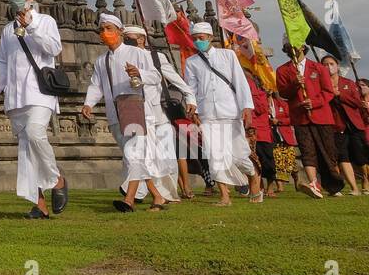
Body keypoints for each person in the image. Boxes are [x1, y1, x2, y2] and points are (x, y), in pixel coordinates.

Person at [0, 0, 67, 218]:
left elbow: (54, 48)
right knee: (27, 151)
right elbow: (1, 63)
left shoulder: (45, 21)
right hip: (16, 97)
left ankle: (57, 179)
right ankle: (39, 205)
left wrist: (31, 27)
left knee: (35, 134)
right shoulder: (8, 30)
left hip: (40, 93)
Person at [82, 14, 173, 212]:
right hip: (115, 114)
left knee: (133, 155)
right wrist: (89, 104)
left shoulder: (137, 53)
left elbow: (156, 76)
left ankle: (128, 200)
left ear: (119, 31)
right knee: (134, 157)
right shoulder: (101, 61)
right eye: (102, 29)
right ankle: (158, 196)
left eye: (109, 29)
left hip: (135, 110)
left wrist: (139, 73)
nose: (105, 33)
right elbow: (96, 85)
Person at [183, 22, 260, 205]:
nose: (198, 41)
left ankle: (253, 175)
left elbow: (240, 82)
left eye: (201, 38)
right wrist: (192, 105)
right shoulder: (191, 62)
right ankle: (224, 196)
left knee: (239, 154)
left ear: (210, 37)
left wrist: (246, 107)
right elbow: (190, 88)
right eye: (195, 39)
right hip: (207, 113)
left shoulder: (228, 55)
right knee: (214, 155)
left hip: (230, 111)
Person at [275, 41, 344, 199]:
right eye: (290, 47)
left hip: (322, 116)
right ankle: (314, 183)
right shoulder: (282, 70)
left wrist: (314, 102)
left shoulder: (318, 68)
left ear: (303, 48)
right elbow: (284, 93)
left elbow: (328, 91)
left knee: (328, 151)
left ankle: (333, 183)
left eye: (297, 46)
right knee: (308, 151)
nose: (294, 49)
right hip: (300, 117)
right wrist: (294, 84)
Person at [121, 25, 181, 205]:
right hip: (137, 113)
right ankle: (145, 193)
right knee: (142, 154)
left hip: (158, 113)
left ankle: (169, 194)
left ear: (141, 39)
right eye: (125, 38)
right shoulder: (123, 58)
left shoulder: (156, 57)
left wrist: (190, 97)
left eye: (130, 38)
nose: (127, 41)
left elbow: (171, 78)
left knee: (166, 157)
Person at [321, 55, 365, 196]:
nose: (329, 66)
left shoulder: (348, 83)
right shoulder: (321, 84)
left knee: (359, 157)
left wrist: (339, 95)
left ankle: (364, 183)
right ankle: (345, 187)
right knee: (339, 156)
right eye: (325, 64)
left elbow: (358, 102)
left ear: (337, 65)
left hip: (352, 125)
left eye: (331, 63)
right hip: (333, 124)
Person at [270, 93, 299, 194]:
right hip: (273, 138)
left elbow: (292, 118)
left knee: (291, 163)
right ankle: (280, 186)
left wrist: (279, 121)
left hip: (286, 137)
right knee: (276, 161)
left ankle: (296, 180)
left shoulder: (283, 104)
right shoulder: (264, 104)